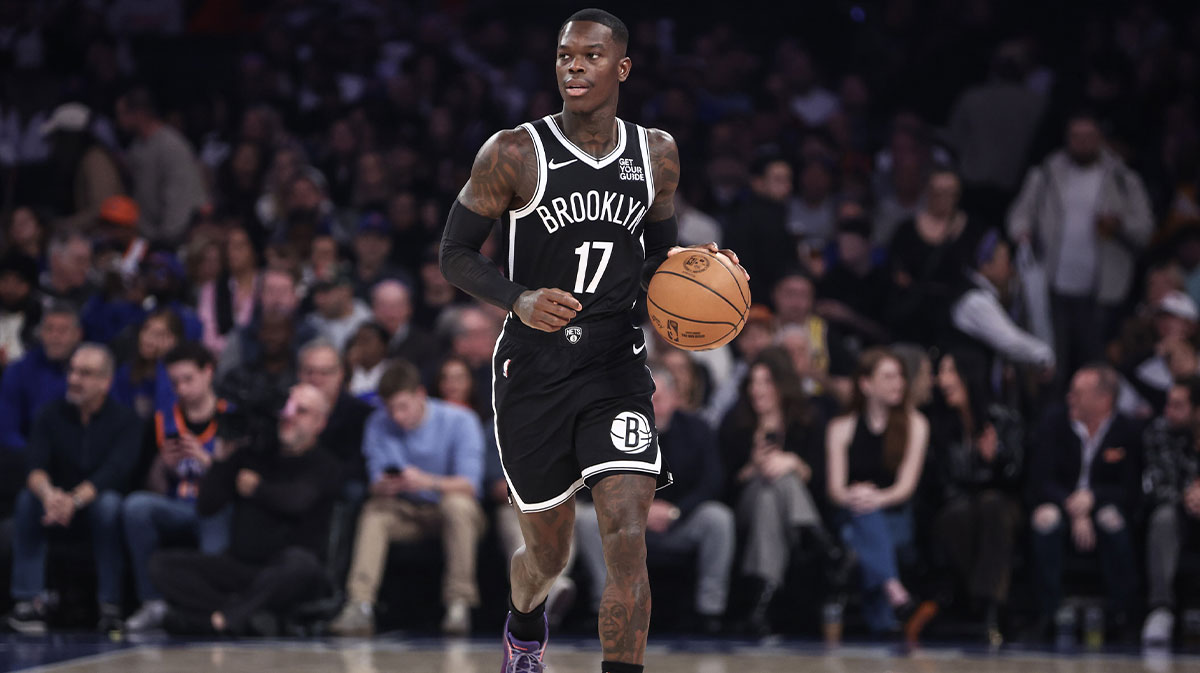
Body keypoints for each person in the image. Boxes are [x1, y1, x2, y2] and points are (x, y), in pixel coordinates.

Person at [438, 9, 745, 672]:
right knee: (547, 555)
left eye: (590, 56)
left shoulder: (656, 153)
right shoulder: (514, 152)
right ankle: (525, 621)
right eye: (564, 56)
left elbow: (662, 262)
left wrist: (707, 271)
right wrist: (517, 296)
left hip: (616, 365)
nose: (573, 67)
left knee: (626, 538)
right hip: (535, 369)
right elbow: (454, 252)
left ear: (622, 67)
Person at [149, 384, 341, 635]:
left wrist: (258, 489)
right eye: (287, 409)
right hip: (241, 566)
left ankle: (224, 619)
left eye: (301, 411)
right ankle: (248, 615)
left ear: (320, 424)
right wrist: (220, 459)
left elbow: (297, 501)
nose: (289, 416)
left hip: (289, 573)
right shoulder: (254, 454)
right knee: (161, 565)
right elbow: (207, 506)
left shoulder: (324, 464)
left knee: (300, 563)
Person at [328, 360, 486, 637]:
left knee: (457, 505)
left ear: (420, 394)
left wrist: (427, 481)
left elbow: (469, 486)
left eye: (403, 406)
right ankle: (360, 604)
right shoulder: (378, 423)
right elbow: (376, 479)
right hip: (405, 510)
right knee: (374, 511)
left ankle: (458, 604)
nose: (397, 416)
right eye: (390, 409)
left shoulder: (460, 420)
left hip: (452, 509)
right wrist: (385, 485)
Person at [6, 344, 143, 634]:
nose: (74, 379)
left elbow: (115, 471)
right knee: (27, 500)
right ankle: (28, 602)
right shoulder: (50, 414)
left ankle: (110, 605)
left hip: (95, 502)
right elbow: (34, 465)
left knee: (108, 505)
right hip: (55, 507)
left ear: (106, 381)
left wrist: (74, 500)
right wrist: (49, 495)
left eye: (86, 373)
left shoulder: (126, 420)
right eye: (72, 371)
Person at [1007, 112, 1153, 381]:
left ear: (1100, 139)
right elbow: (1018, 215)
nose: (1083, 143)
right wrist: (1023, 233)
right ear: (1067, 139)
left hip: (1102, 291)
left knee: (1097, 364)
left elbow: (1145, 230)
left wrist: (1119, 225)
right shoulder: (1047, 173)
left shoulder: (1121, 177)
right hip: (1052, 287)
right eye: (1076, 137)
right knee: (1050, 366)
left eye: (1089, 137)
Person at [718, 347, 831, 635]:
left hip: (780, 509)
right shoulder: (735, 423)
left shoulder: (808, 421)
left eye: (766, 382)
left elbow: (822, 482)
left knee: (775, 488)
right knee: (769, 481)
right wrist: (753, 468)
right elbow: (722, 487)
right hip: (744, 509)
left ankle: (761, 602)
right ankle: (814, 537)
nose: (758, 390)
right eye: (753, 382)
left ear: (782, 384)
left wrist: (794, 464)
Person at [121, 342, 231, 633]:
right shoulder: (161, 421)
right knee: (135, 506)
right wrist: (163, 467)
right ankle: (152, 602)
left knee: (217, 513)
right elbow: (150, 487)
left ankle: (211, 607)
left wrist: (208, 462)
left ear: (208, 373)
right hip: (176, 506)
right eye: (175, 382)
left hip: (215, 508)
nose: (181, 388)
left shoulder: (231, 417)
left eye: (188, 379)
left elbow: (239, 485)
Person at [1027, 364, 1142, 640]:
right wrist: (1073, 505)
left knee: (1112, 520)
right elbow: (1038, 481)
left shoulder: (1126, 430)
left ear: (1104, 400)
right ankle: (1048, 611)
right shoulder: (1053, 422)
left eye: (1078, 393)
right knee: (1044, 519)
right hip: (1061, 501)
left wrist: (1093, 498)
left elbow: (1130, 489)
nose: (1070, 398)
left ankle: (1121, 613)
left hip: (1101, 503)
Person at [826, 348, 930, 635]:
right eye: (887, 377)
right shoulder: (841, 427)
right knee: (861, 524)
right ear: (866, 384)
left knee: (860, 540)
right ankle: (895, 594)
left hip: (896, 512)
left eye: (899, 376)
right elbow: (836, 489)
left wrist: (874, 498)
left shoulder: (916, 424)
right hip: (852, 513)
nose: (897, 383)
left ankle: (886, 616)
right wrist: (855, 497)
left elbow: (906, 487)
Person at [928, 349, 1024, 644]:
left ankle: (986, 606)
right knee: (957, 516)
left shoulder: (1003, 418)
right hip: (962, 505)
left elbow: (1017, 475)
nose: (941, 380)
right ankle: (992, 605)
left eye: (949, 371)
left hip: (1004, 503)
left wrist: (994, 459)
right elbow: (942, 483)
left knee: (992, 507)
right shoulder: (942, 426)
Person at [1141, 378, 1200, 646]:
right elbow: (1156, 485)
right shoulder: (1159, 432)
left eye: (1178, 405)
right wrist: (1189, 495)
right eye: (1168, 403)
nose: (1168, 411)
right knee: (1163, 518)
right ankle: (1161, 609)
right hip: (1180, 513)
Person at [114, 88, 209, 247]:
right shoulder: (137, 147)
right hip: (147, 237)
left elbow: (180, 198)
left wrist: (165, 242)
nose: (118, 120)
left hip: (173, 241)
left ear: (139, 113)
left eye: (123, 114)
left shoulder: (171, 146)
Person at [0, 305, 83, 451]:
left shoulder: (92, 370)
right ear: (41, 333)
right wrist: (37, 460)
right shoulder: (19, 371)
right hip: (27, 457)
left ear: (78, 334)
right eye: (49, 329)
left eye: (63, 330)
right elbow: (7, 430)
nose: (55, 336)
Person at [195, 225, 259, 357]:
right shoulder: (211, 290)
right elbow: (207, 335)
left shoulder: (265, 285)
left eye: (239, 246)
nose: (231, 252)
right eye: (228, 247)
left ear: (253, 249)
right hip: (218, 359)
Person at [111, 309, 183, 418]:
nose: (147, 338)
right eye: (146, 329)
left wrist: (164, 359)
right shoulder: (126, 371)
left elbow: (168, 413)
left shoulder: (179, 376)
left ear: (174, 340)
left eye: (158, 334)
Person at [371, 279, 438, 364]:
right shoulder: (361, 343)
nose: (390, 313)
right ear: (373, 309)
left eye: (396, 306)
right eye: (383, 306)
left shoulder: (426, 345)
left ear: (408, 309)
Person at [308, 269, 372, 353]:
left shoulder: (368, 319)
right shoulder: (310, 323)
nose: (318, 300)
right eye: (316, 293)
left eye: (326, 291)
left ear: (346, 291)